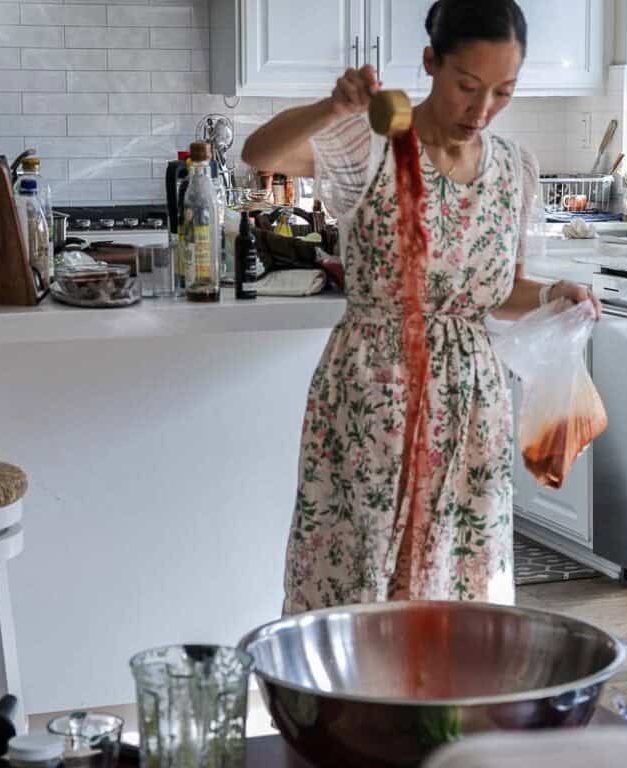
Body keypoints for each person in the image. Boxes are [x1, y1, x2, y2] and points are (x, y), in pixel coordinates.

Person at [242, 0, 601, 614]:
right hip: (373, 394)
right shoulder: (373, 146)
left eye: (503, 92)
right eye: (467, 86)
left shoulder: (516, 170)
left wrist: (546, 295)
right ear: (431, 63)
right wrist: (335, 106)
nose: (481, 110)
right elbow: (261, 154)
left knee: (460, 583)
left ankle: (444, 711)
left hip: (471, 406)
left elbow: (493, 294)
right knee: (357, 575)